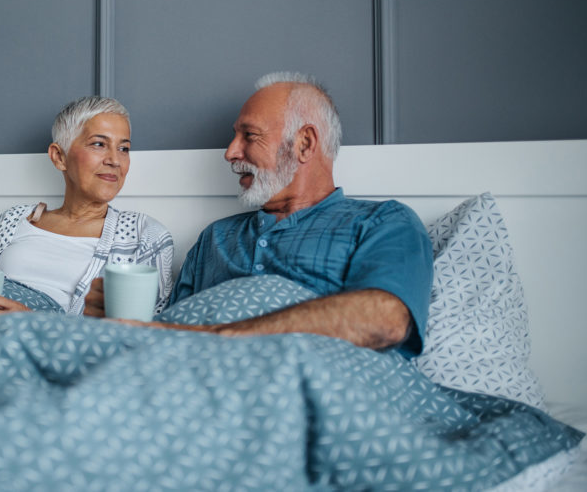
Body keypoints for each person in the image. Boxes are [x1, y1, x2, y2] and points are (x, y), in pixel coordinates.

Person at [130, 72, 433, 357]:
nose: (231, 152)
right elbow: (167, 336)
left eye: (249, 135)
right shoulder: (215, 238)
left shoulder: (383, 222)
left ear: (305, 143)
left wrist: (227, 336)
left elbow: (385, 319)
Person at [0, 96, 174, 316]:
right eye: (99, 144)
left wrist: (34, 324)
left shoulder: (145, 234)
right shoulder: (14, 219)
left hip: (40, 347)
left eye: (124, 149)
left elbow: (148, 333)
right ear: (59, 156)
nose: (115, 160)